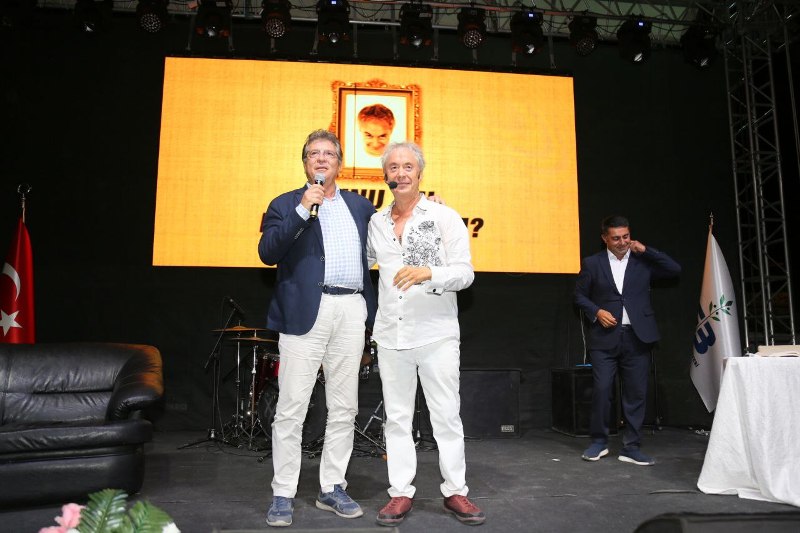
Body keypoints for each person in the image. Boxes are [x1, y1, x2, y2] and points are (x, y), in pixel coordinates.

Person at [258, 129, 377, 527]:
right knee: (291, 407)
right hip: (305, 312)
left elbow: (392, 238)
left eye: (329, 153)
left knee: (344, 406)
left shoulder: (361, 207)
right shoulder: (285, 204)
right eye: (314, 154)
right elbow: (267, 253)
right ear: (305, 163)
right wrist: (301, 210)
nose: (322, 159)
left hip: (351, 309)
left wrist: (432, 210)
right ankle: (283, 493)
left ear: (339, 163)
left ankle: (332, 487)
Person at [366, 142, 485, 526]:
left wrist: (429, 273)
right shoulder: (376, 223)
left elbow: (465, 274)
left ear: (419, 173)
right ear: (385, 175)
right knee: (397, 419)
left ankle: (455, 491)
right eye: (393, 167)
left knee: (446, 416)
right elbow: (363, 262)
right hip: (391, 334)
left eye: (407, 167)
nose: (400, 173)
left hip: (436, 334)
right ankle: (400, 492)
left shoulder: (444, 217)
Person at [574, 215, 681, 466]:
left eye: (626, 236)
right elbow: (578, 296)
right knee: (602, 390)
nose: (622, 242)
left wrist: (647, 250)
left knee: (636, 393)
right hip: (604, 339)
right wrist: (597, 311)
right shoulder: (593, 263)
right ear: (605, 239)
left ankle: (631, 447)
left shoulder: (642, 260)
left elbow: (674, 269)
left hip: (637, 337)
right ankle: (599, 442)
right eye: (616, 238)